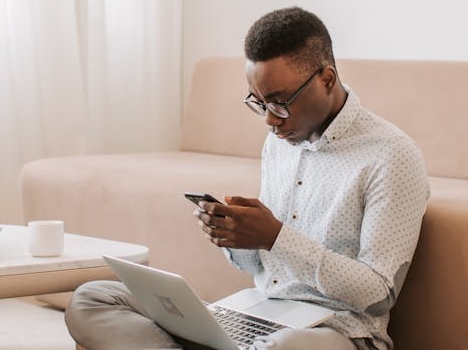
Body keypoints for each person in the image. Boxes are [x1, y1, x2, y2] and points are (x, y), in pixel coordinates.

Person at [65, 6, 429, 350]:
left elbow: (378, 295)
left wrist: (275, 237)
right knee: (93, 298)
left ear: (327, 79)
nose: (270, 120)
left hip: (339, 331)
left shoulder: (391, 155)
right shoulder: (280, 143)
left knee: (279, 347)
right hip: (260, 312)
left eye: (279, 101)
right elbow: (264, 268)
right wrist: (236, 239)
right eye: (259, 103)